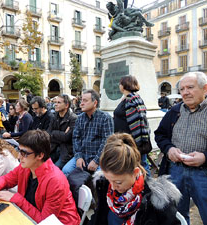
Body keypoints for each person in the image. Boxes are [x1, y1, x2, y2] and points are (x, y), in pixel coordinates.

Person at [0, 130, 81, 225]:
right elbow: (7, 179)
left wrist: (16, 198)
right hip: (30, 216)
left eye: (24, 153)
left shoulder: (55, 181)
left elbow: (44, 221)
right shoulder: (26, 166)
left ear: (40, 155)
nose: (19, 156)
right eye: (19, 150)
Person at [89, 133, 181, 225]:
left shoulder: (157, 201)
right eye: (109, 180)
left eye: (118, 182)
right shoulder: (106, 189)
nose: (112, 187)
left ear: (135, 172)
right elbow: (97, 218)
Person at [154, 71, 207, 224]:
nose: (185, 92)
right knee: (177, 216)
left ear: (205, 89)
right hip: (175, 170)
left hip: (203, 174)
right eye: (182, 89)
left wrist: (204, 156)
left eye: (190, 87)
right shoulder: (175, 111)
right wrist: (169, 149)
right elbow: (160, 135)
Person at [62, 89, 114, 175]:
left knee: (100, 177)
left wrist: (96, 161)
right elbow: (76, 138)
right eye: (81, 100)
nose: (81, 103)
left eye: (85, 100)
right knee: (66, 170)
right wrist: (78, 157)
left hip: (99, 158)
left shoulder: (105, 118)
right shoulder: (80, 118)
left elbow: (107, 142)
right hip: (82, 155)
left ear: (95, 103)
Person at [113, 75, 152, 175]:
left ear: (124, 85)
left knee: (141, 166)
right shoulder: (130, 99)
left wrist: (135, 144)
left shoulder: (131, 100)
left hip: (132, 142)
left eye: (120, 83)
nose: (119, 85)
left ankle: (149, 188)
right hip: (127, 141)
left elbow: (136, 124)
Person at [47, 94, 77, 169]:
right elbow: (48, 134)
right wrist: (61, 134)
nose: (55, 104)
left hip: (66, 152)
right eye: (55, 102)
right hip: (53, 148)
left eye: (59, 102)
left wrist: (54, 133)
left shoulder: (73, 118)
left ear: (66, 105)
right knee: (42, 165)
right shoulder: (54, 117)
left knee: (55, 169)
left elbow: (67, 137)